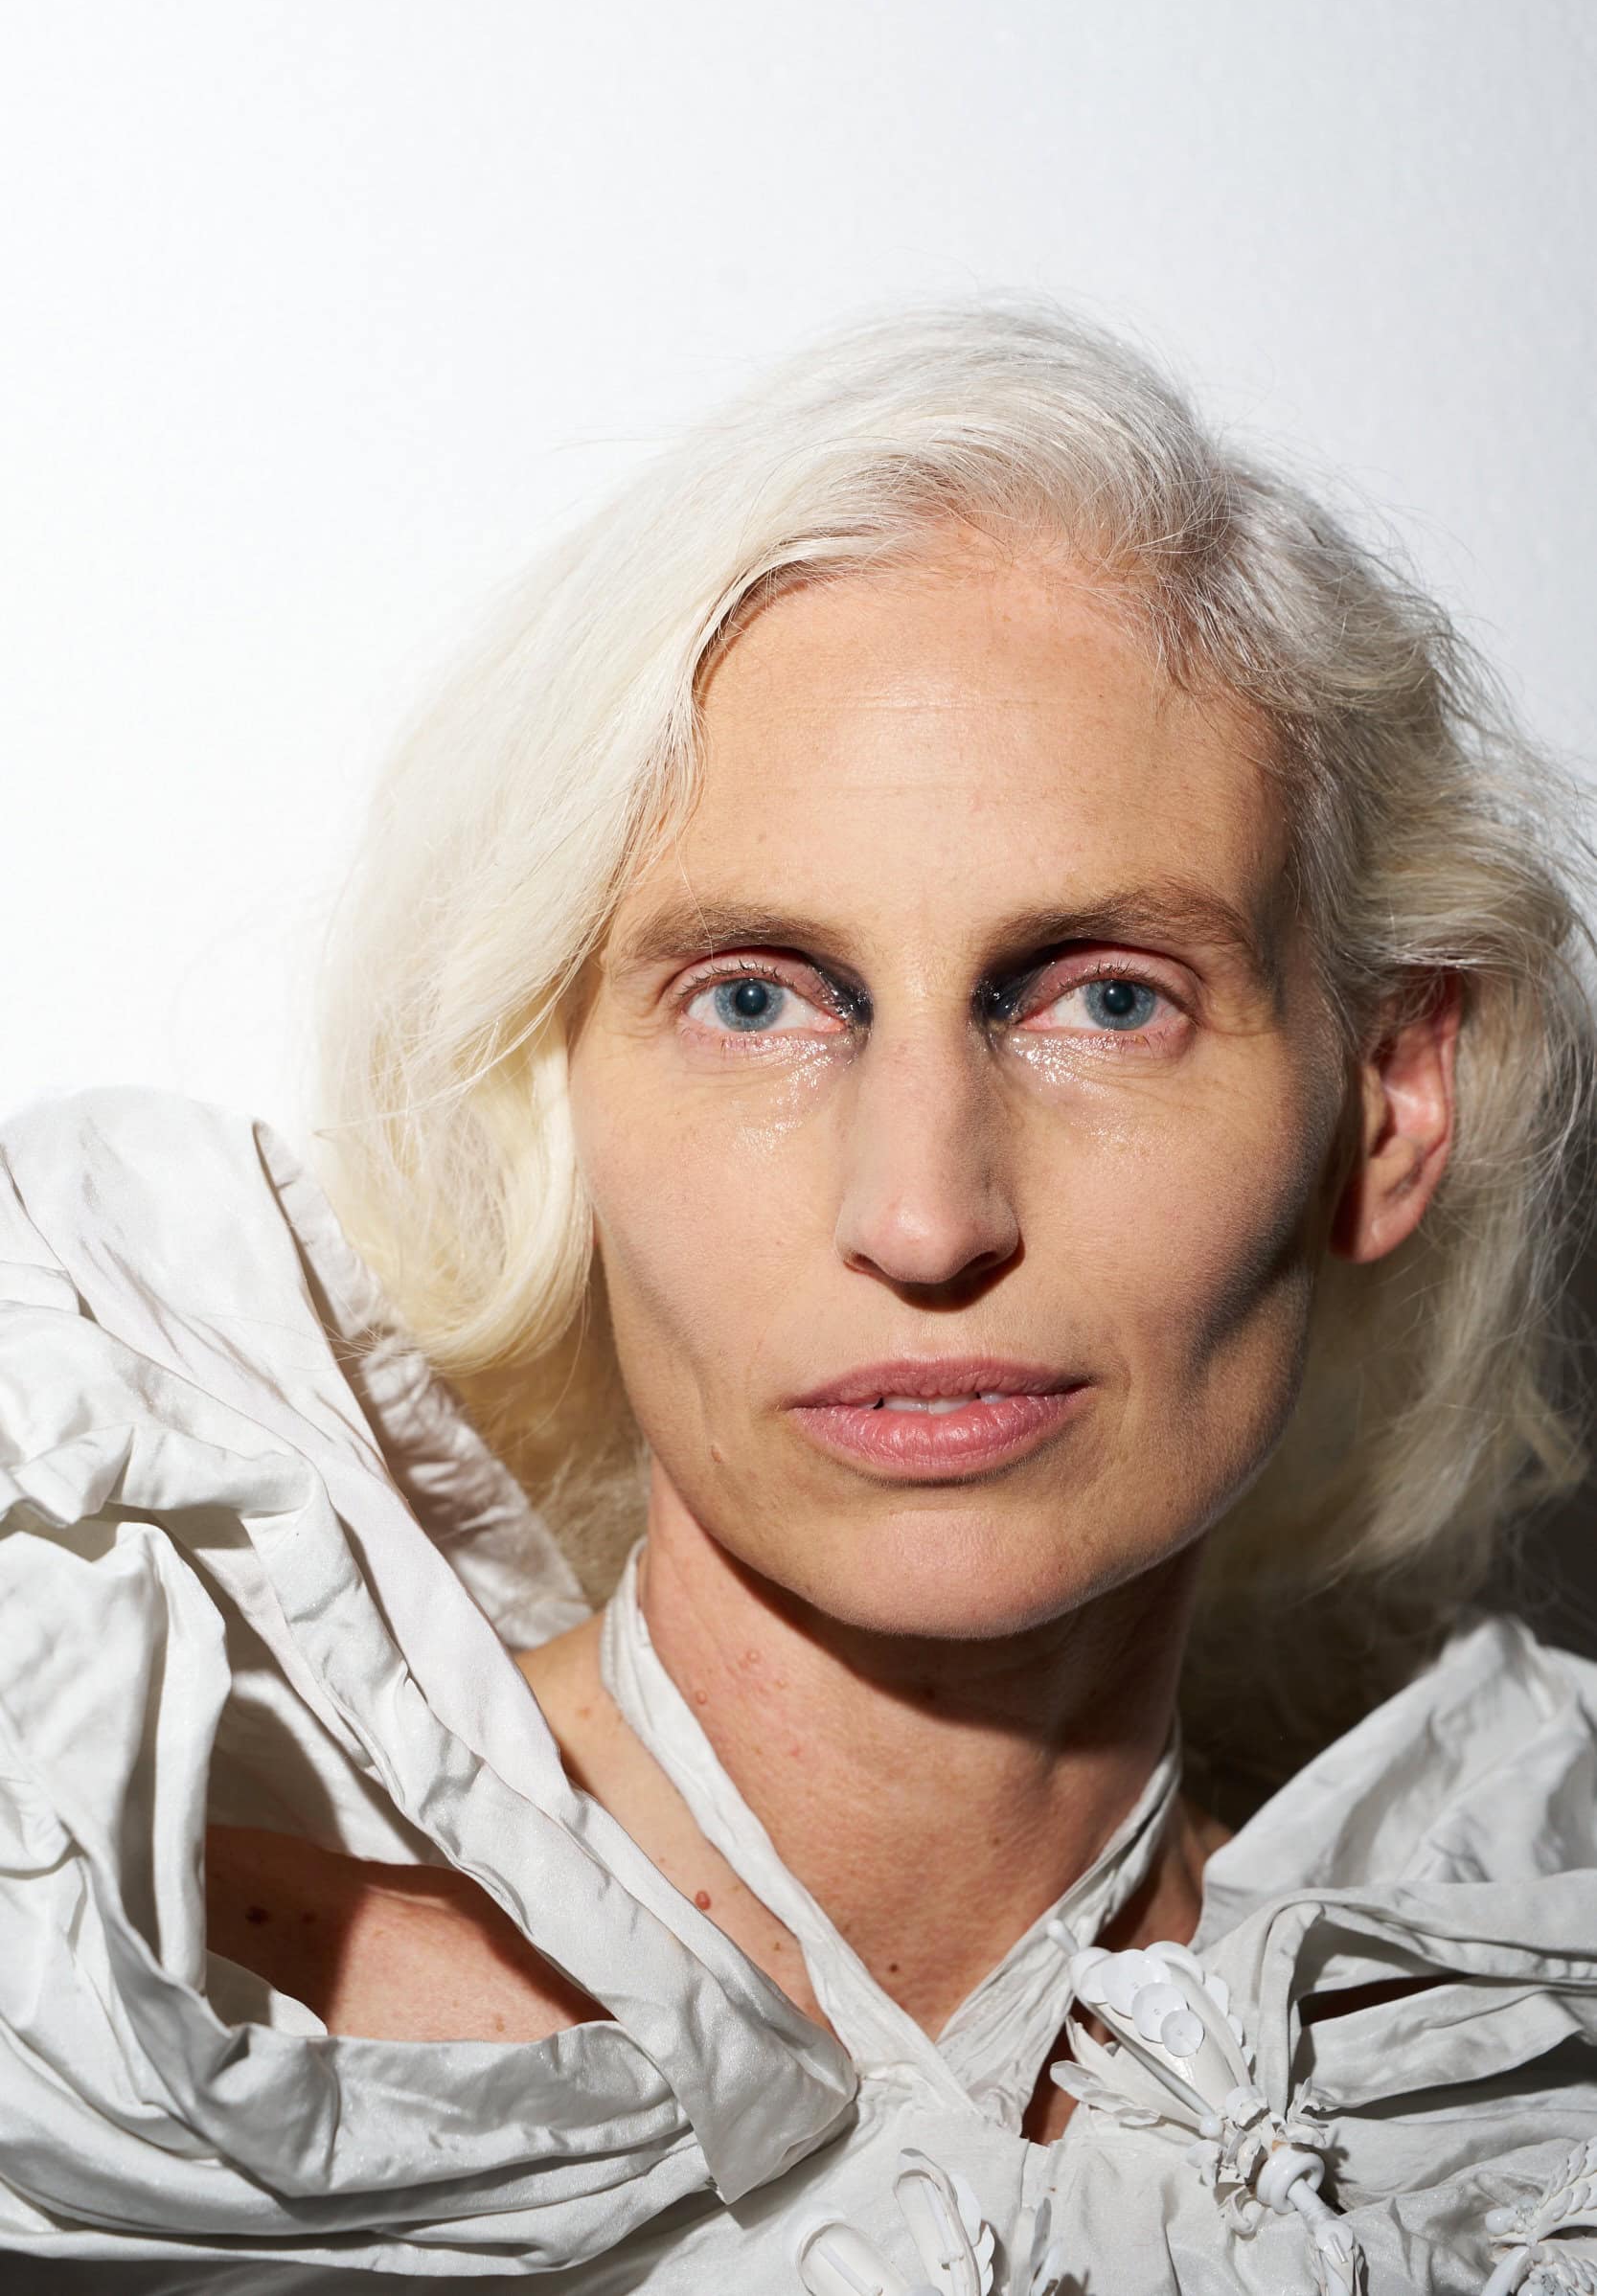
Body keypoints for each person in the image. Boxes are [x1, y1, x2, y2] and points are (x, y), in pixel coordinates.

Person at [3, 302, 1597, 2296]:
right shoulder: (118, 2028)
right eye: (757, 1000)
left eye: (1107, 998)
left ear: (1389, 1096)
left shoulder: (1508, 2124)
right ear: (555, 1091)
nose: (923, 1217)